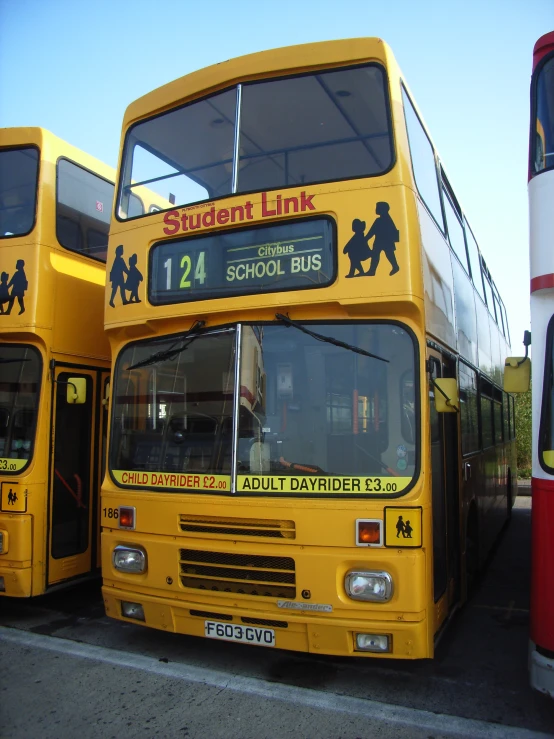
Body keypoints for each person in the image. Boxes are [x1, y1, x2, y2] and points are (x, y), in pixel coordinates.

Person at [366, 202, 400, 276]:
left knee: (387, 254)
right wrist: (366, 238)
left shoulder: (381, 220)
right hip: (382, 240)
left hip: (383, 240)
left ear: (382, 209)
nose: (376, 209)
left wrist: (366, 238)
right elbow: (372, 231)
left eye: (377, 207)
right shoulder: (387, 218)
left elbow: (372, 231)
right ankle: (372, 270)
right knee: (379, 255)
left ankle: (394, 266)